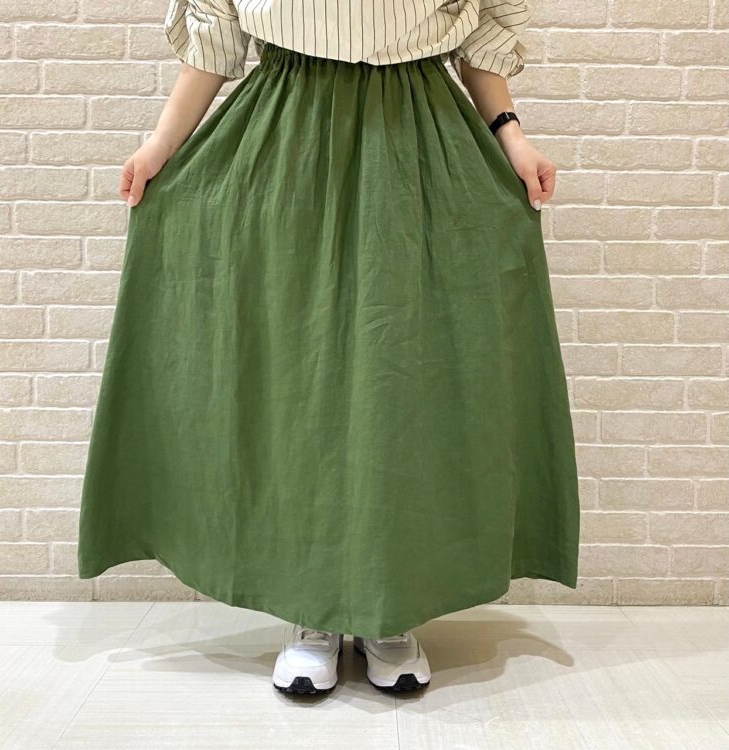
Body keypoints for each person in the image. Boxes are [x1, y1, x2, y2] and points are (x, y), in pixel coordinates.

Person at [77, 0, 581, 696]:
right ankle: (311, 610)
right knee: (297, 381)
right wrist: (162, 144)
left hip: (421, 137)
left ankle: (388, 609)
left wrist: (512, 139)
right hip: (285, 132)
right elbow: (216, 40)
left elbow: (484, 40)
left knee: (402, 385)